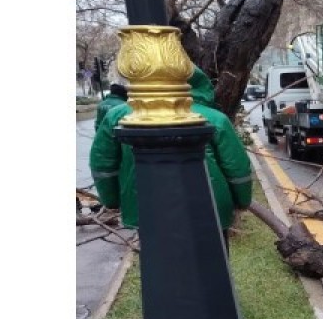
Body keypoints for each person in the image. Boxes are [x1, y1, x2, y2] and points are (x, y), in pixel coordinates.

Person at [89, 67, 253, 247]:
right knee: (213, 264)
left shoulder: (117, 117)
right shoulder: (215, 118)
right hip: (210, 208)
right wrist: (242, 201)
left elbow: (102, 164)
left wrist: (111, 200)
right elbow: (238, 168)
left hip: (146, 208)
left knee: (159, 265)